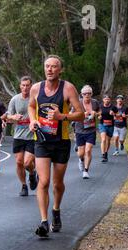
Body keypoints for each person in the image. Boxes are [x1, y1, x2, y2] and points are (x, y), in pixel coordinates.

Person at [28, 55, 84, 238]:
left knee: (57, 183)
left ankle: (56, 210)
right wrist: (33, 120)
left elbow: (81, 114)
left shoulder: (68, 88)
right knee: (43, 181)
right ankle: (44, 222)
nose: (50, 69)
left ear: (60, 70)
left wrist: (62, 117)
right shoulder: (36, 88)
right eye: (47, 66)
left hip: (61, 142)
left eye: (54, 67)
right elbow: (30, 106)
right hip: (42, 140)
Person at [6, 76, 38, 196]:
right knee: (19, 162)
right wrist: (13, 117)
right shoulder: (15, 99)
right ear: (20, 86)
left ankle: (32, 173)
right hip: (18, 135)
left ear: (31, 86)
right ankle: (24, 185)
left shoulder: (35, 99)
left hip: (32, 135)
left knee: (27, 163)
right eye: (23, 85)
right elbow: (8, 115)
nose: (25, 88)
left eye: (27, 85)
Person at [73, 85, 100, 179]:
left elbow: (99, 111)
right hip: (80, 130)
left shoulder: (95, 102)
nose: (87, 95)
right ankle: (81, 160)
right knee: (81, 153)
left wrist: (95, 113)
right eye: (85, 94)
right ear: (82, 94)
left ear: (91, 94)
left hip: (91, 130)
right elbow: (71, 115)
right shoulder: (78, 103)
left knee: (88, 150)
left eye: (89, 93)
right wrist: (81, 115)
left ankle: (86, 171)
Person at [97, 94, 118, 163]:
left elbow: (118, 115)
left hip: (110, 125)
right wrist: (98, 117)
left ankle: (106, 152)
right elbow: (97, 114)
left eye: (108, 99)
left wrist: (114, 114)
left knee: (108, 141)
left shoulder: (113, 107)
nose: (107, 100)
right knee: (103, 139)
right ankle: (103, 154)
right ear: (103, 100)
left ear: (110, 100)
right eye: (105, 99)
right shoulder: (100, 106)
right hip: (102, 124)